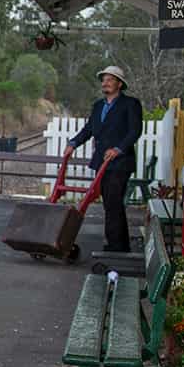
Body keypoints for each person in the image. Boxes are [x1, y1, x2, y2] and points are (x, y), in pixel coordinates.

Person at [67, 65, 143, 253]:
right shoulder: (98, 106)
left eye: (110, 80)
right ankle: (119, 245)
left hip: (120, 163)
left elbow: (135, 131)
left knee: (113, 203)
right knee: (110, 203)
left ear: (119, 84)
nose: (105, 83)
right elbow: (89, 129)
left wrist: (118, 149)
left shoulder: (130, 104)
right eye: (104, 80)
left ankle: (116, 247)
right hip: (102, 162)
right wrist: (73, 143)